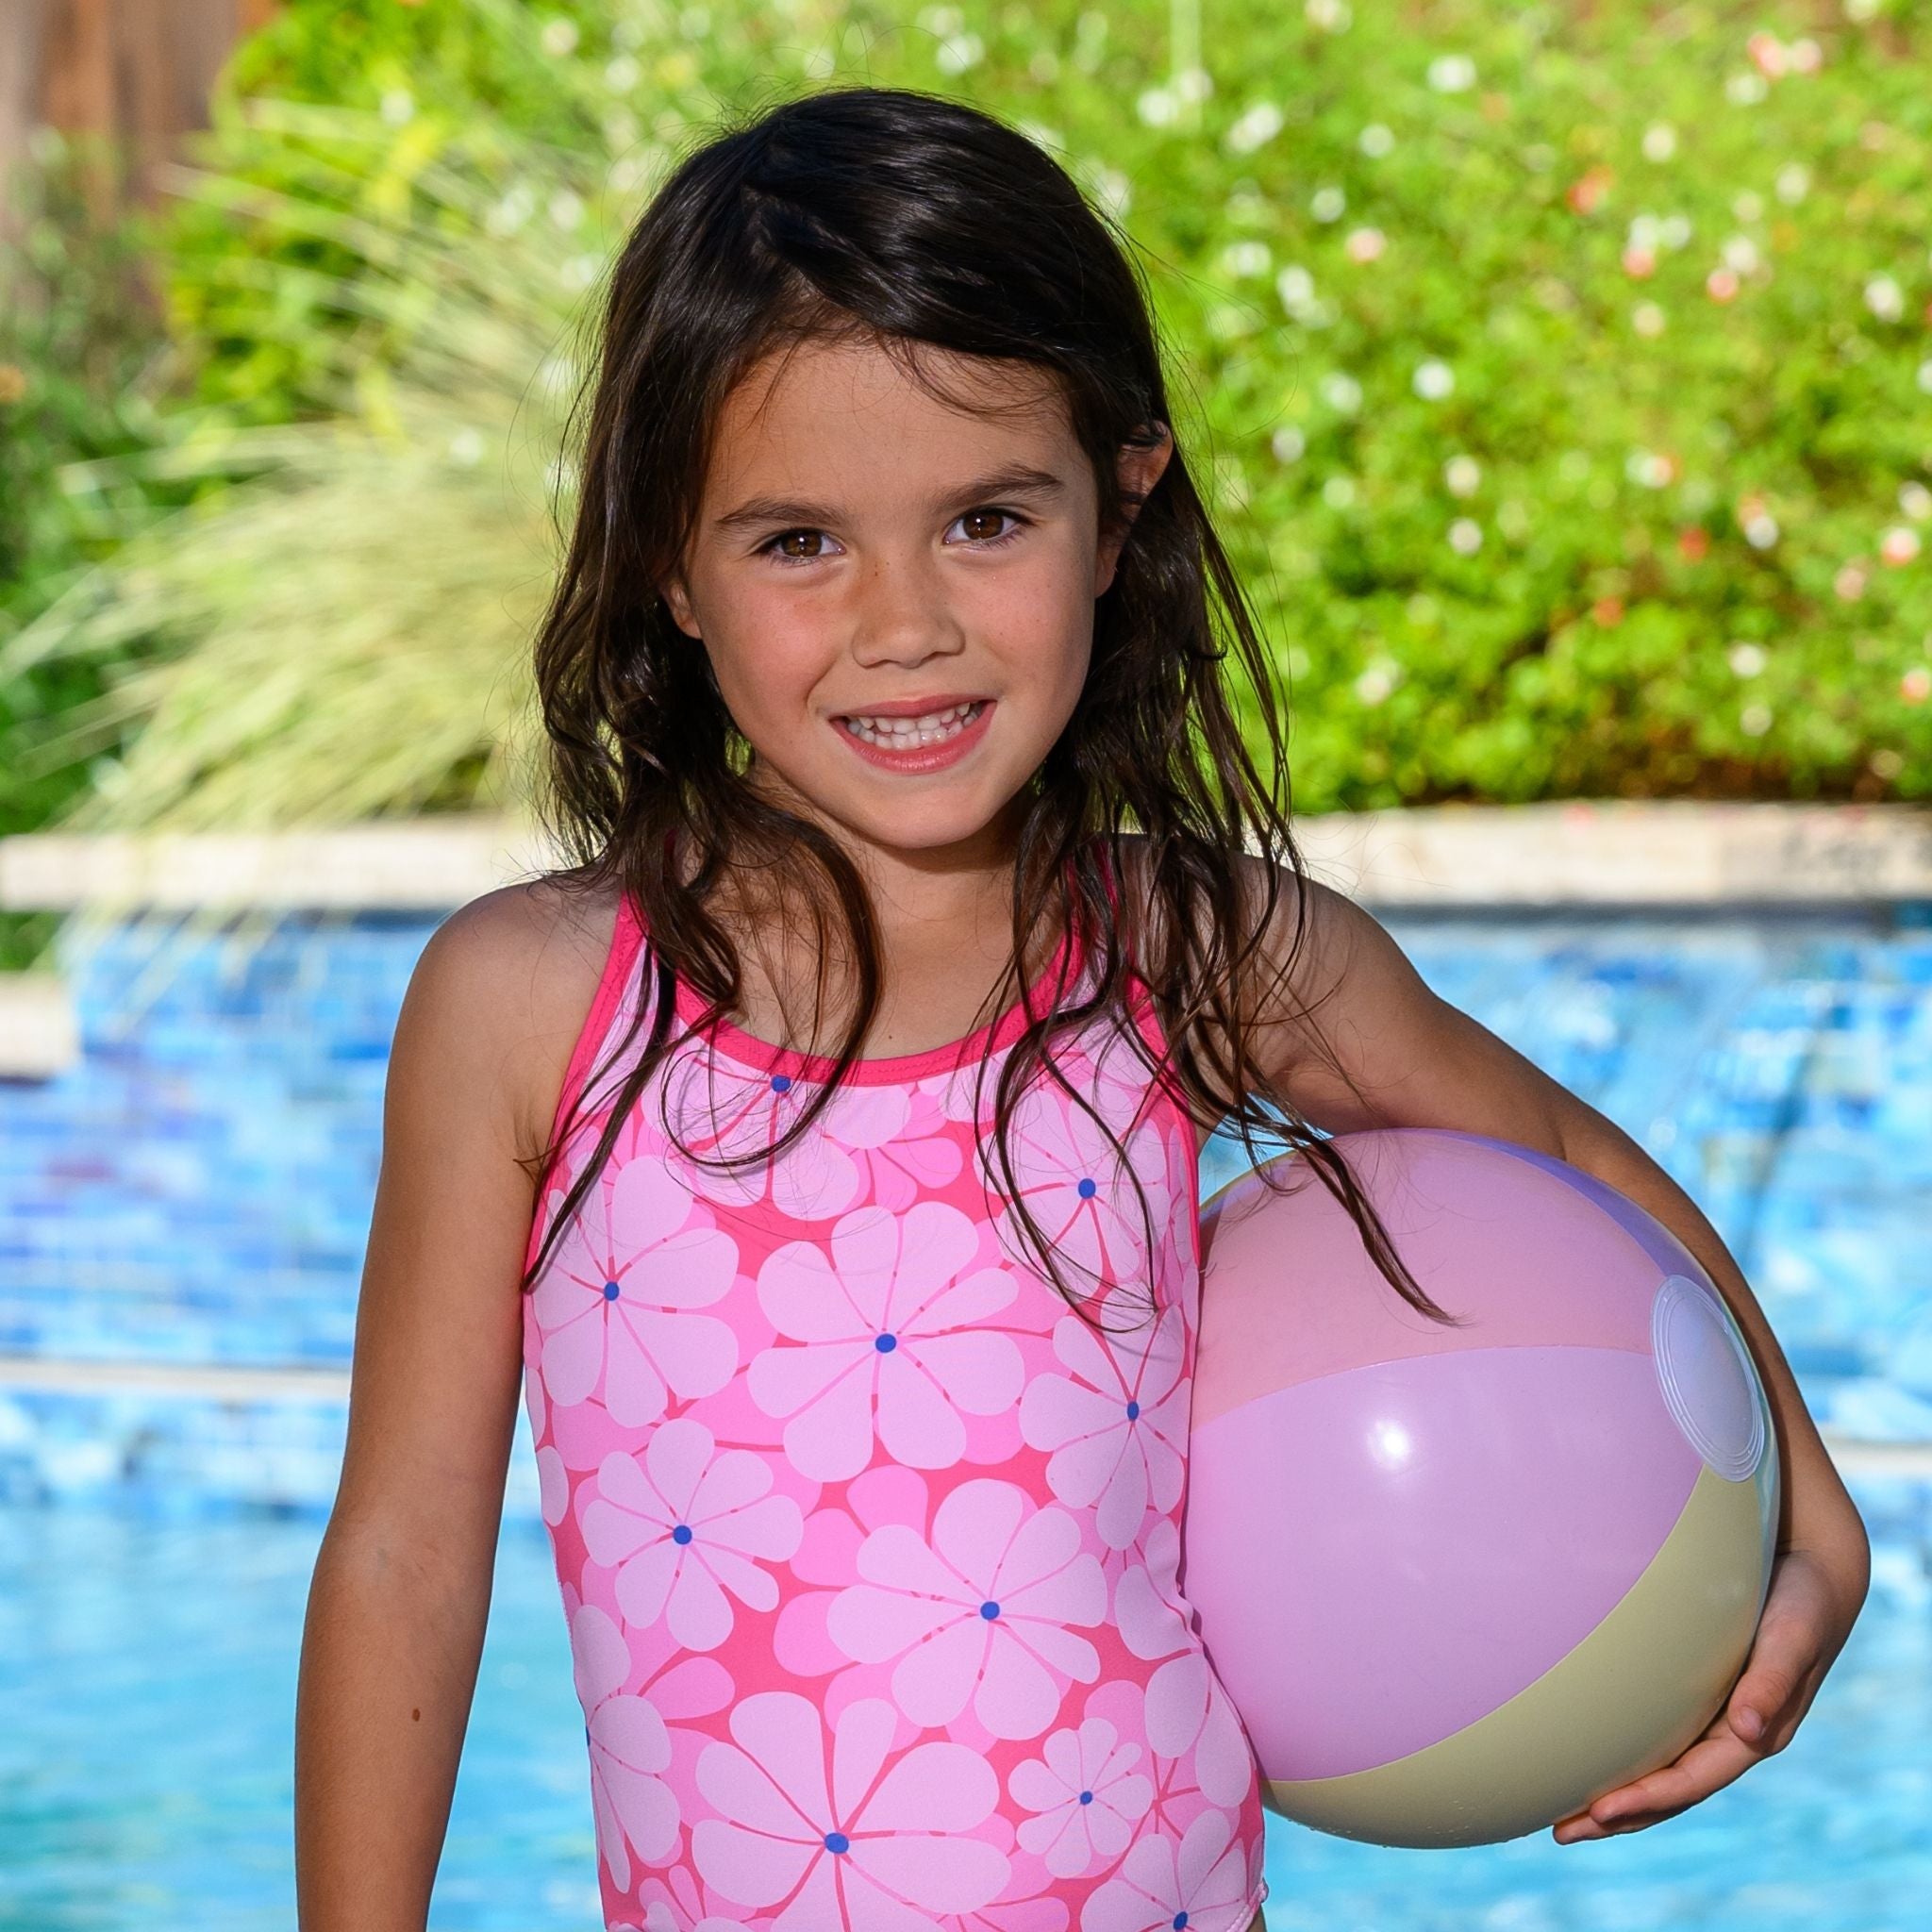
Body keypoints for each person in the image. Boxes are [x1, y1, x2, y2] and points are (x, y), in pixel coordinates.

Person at [293, 86, 1871, 1932]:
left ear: (1117, 510)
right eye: (798, 541)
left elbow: (1565, 1166)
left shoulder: (1187, 953)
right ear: (669, 562)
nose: (904, 624)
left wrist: (1810, 1516)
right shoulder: (540, 1004)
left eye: (984, 519)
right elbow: (404, 1556)